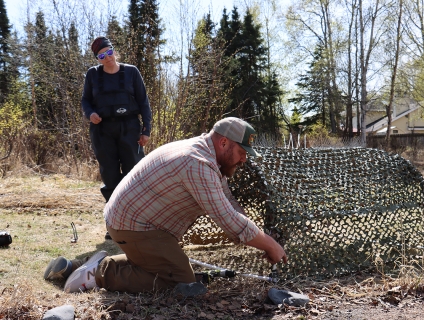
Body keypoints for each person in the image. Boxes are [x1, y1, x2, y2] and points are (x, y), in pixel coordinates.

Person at [44, 117, 287, 295]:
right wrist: (270, 244)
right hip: (133, 225)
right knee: (180, 280)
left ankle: (77, 266)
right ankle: (98, 275)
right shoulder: (198, 163)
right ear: (224, 143)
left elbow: (229, 204)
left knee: (170, 268)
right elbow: (227, 219)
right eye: (242, 152)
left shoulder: (208, 156)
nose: (245, 159)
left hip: (136, 222)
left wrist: (262, 237)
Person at [81, 36, 152, 203]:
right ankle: (114, 221)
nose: (107, 57)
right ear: (97, 59)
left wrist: (146, 130)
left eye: (109, 52)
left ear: (115, 51)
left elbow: (143, 101)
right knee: (110, 174)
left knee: (134, 172)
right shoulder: (93, 75)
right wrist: (90, 114)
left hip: (130, 128)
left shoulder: (131, 72)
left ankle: (137, 218)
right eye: (101, 56)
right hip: (102, 131)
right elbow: (85, 100)